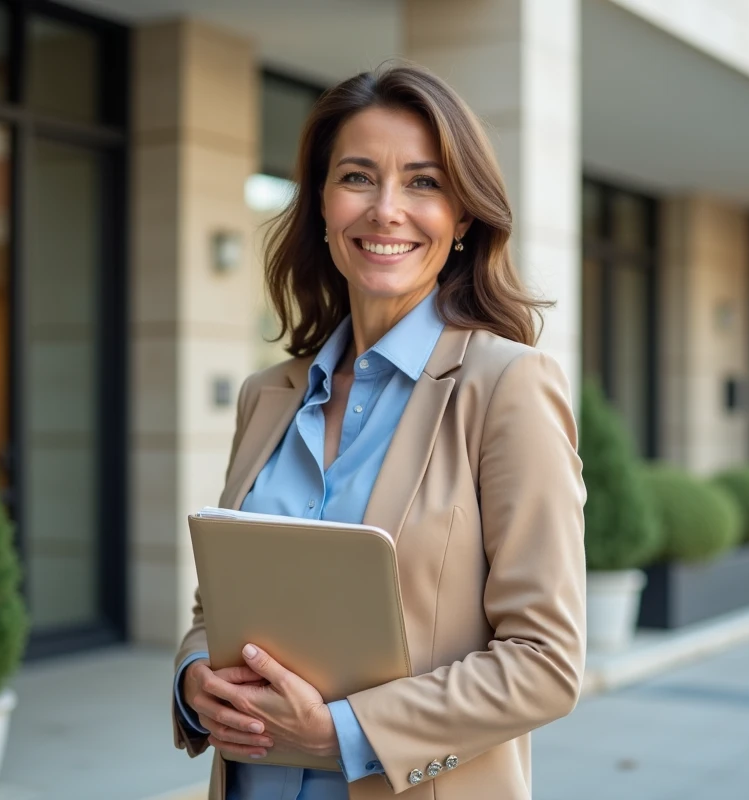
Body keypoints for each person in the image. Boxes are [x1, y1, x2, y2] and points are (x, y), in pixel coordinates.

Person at [171, 63, 586, 800]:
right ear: (322, 204)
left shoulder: (506, 388)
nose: (386, 210)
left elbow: (545, 662)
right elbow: (219, 609)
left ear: (463, 217)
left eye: (423, 183)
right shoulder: (266, 397)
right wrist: (193, 678)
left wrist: (344, 733)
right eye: (357, 177)